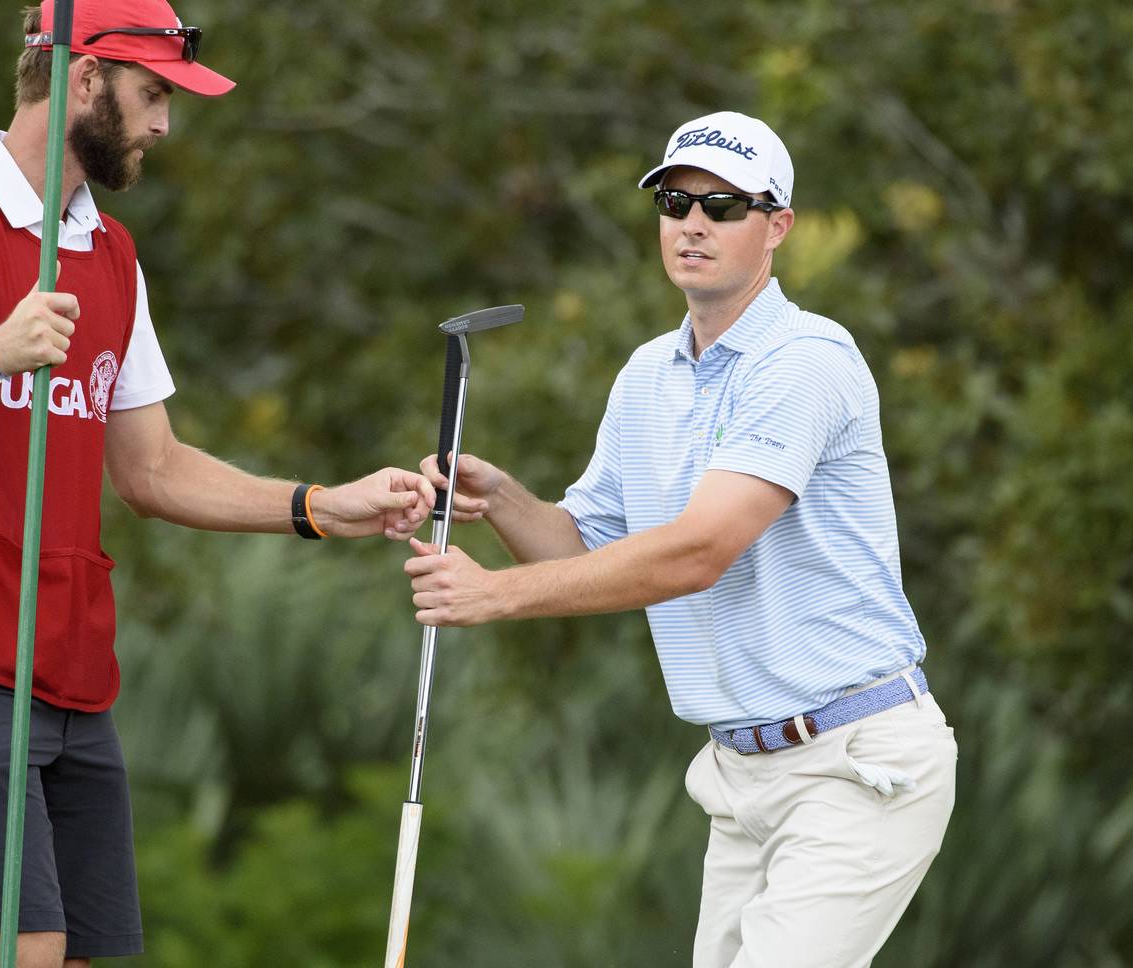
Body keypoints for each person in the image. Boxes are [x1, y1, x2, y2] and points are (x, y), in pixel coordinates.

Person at [0, 1, 433, 964]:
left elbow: (153, 469)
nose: (162, 125)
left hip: (63, 631)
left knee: (90, 947)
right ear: (82, 78)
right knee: (26, 944)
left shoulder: (111, 253)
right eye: (151, 94)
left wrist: (319, 506)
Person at [404, 111, 958, 967]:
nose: (692, 223)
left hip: (856, 764)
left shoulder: (807, 359)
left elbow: (700, 553)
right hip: (739, 779)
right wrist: (504, 496)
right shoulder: (646, 375)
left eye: (724, 206)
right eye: (674, 201)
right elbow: (580, 552)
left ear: (777, 228)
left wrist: (490, 597)